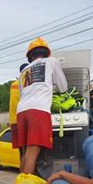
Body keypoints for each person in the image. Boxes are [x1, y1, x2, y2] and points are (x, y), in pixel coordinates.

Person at [17, 37, 67, 174]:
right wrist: (51, 87)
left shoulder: (24, 70)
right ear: (46, 53)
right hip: (38, 110)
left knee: (26, 152)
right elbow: (63, 87)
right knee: (33, 152)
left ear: (30, 56)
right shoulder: (51, 61)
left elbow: (23, 92)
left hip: (21, 111)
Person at [9, 63, 29, 150]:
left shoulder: (14, 84)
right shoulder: (24, 84)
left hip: (14, 121)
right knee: (28, 149)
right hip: (22, 121)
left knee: (22, 151)